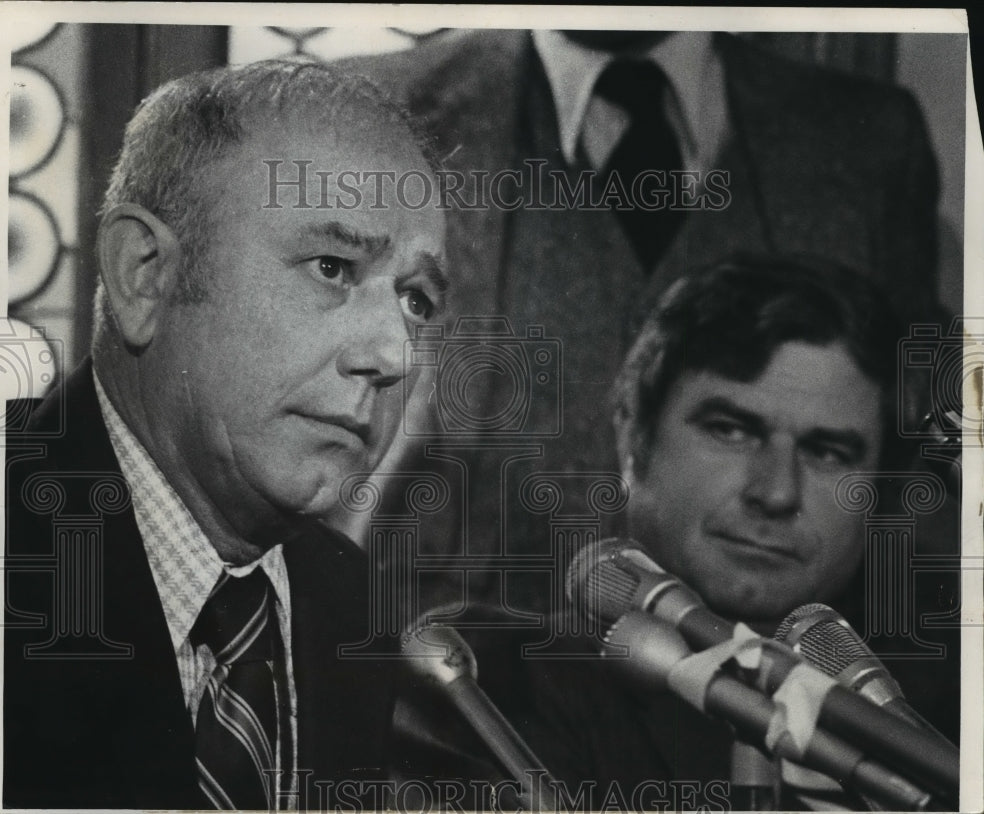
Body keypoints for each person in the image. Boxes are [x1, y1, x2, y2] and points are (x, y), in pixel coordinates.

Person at [341, 30, 943, 615]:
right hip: (429, 674)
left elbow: (915, 458)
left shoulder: (869, 139)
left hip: (762, 699)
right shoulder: (374, 106)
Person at [3, 60, 448, 809]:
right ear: (145, 274)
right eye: (333, 266)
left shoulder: (350, 604)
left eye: (415, 300)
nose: (392, 355)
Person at [390, 254, 960, 810]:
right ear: (632, 432)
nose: (776, 491)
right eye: (731, 430)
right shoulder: (490, 677)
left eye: (828, 451)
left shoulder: (951, 711)